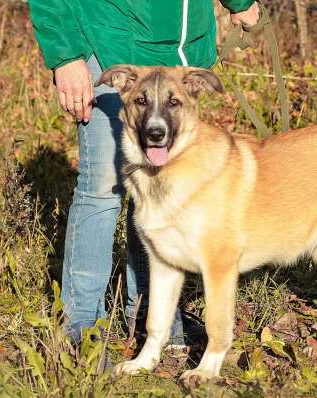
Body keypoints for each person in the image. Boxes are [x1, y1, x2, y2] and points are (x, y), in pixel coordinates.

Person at [28, 1, 260, 348]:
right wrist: (66, 55)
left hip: (180, 53)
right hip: (109, 42)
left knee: (161, 189)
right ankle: (83, 322)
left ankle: (151, 314)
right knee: (103, 189)